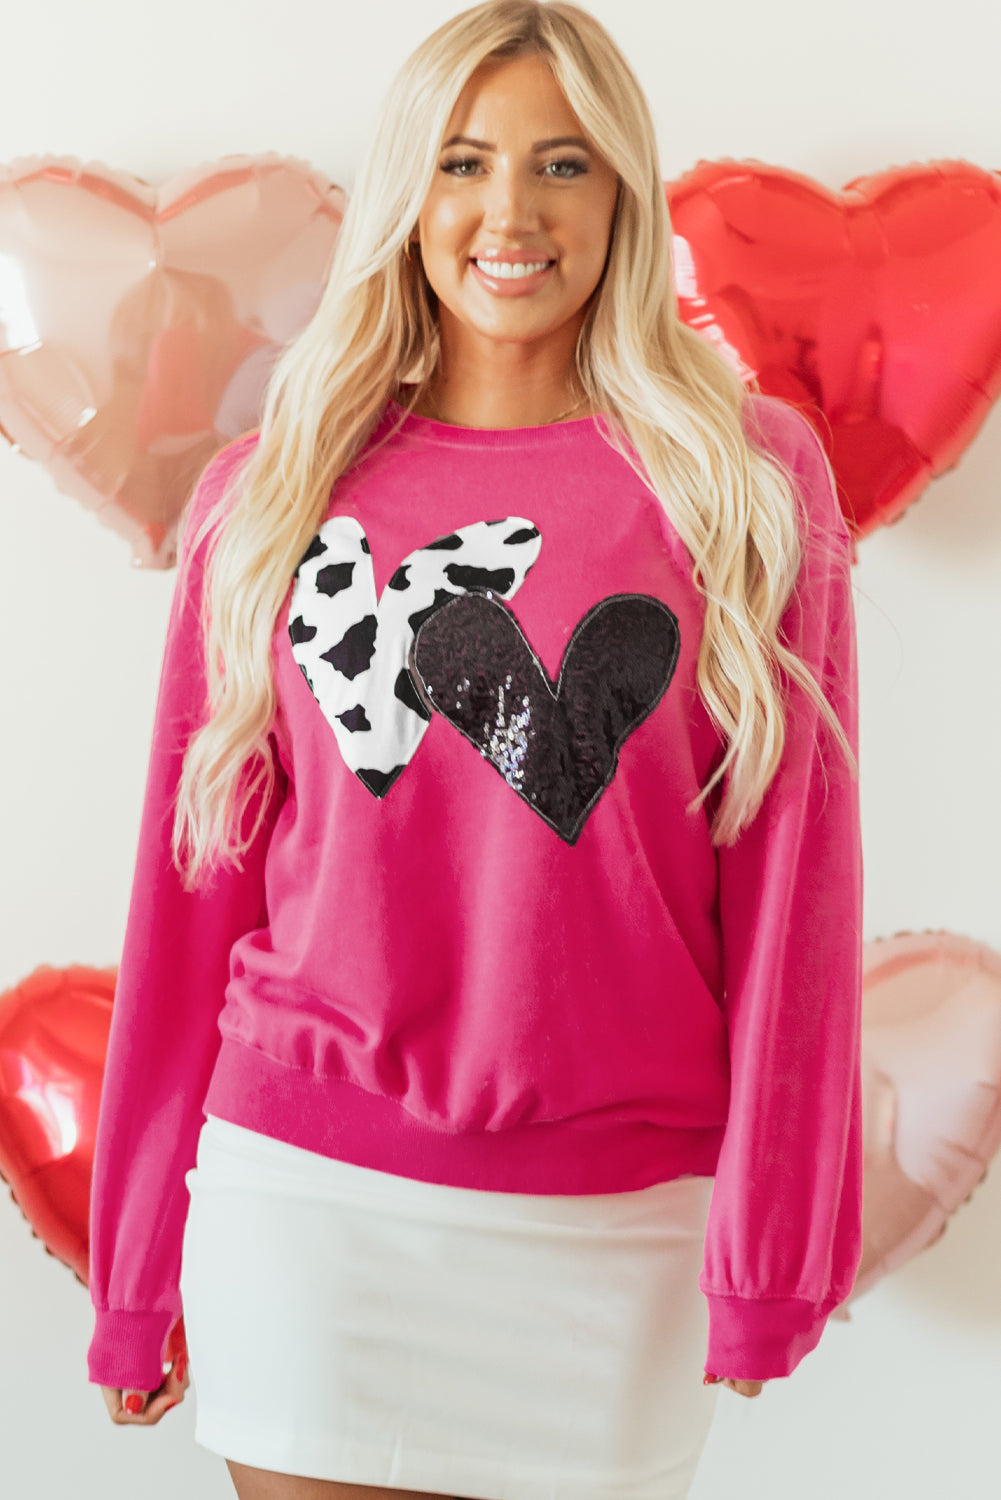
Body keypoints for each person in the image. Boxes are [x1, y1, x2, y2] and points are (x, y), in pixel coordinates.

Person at [86, 3, 864, 1497]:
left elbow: (796, 889)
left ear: (621, 193)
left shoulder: (746, 484)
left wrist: (770, 1247)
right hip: (307, 1203)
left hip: (616, 1229)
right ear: (409, 193)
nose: (510, 213)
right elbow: (187, 894)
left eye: (562, 164)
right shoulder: (273, 492)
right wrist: (135, 1272)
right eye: (463, 162)